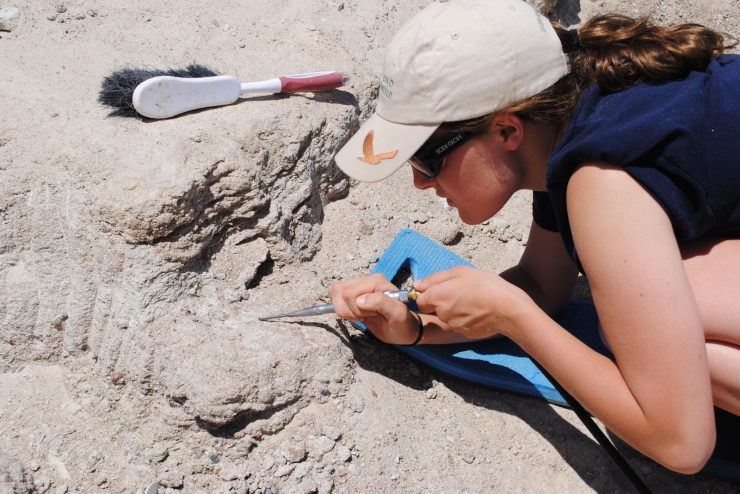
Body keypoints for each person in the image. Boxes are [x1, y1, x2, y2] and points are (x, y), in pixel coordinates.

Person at [329, 0, 740, 475]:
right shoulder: (575, 113)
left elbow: (680, 444)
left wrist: (513, 316)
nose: (419, 182)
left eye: (426, 159)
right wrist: (417, 327)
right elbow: (542, 284)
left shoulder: (600, 181)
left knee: (643, 322)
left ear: (507, 129)